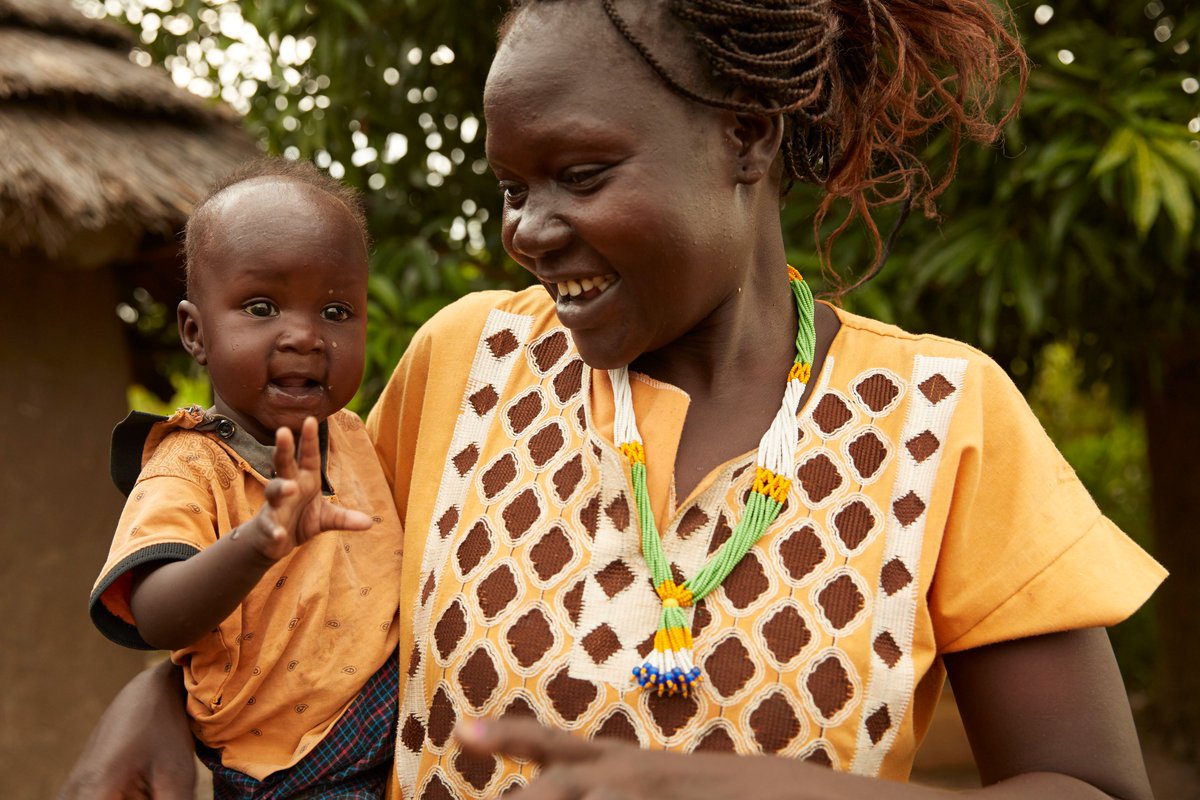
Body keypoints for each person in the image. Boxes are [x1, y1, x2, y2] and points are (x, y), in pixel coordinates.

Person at [62, 2, 1166, 799]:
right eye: (511, 188)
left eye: (579, 175)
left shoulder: (940, 414)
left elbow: (1092, 783)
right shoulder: (465, 362)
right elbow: (314, 597)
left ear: (746, 134)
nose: (530, 229)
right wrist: (165, 693)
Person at [86, 158, 404, 798]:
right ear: (196, 333)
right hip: (293, 766)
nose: (306, 336)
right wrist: (257, 543)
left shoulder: (352, 435)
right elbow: (154, 614)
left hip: (396, 712)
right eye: (262, 306)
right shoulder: (188, 465)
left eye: (338, 311)